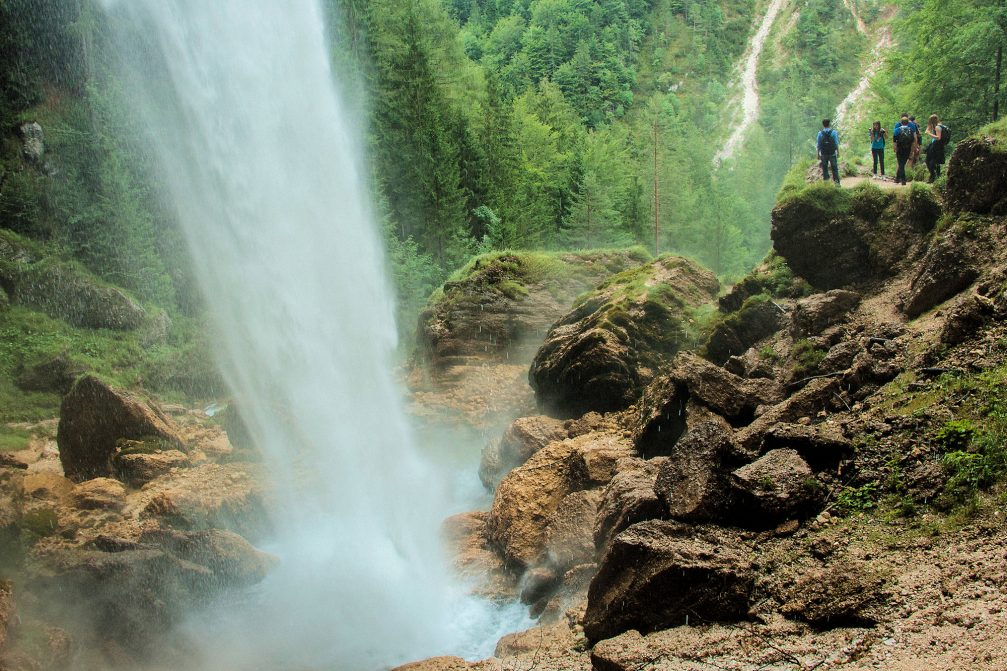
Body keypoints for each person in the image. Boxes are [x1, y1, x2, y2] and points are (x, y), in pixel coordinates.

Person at [817, 118, 840, 184]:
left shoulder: (820, 133)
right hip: (832, 153)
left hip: (823, 154)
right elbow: (836, 143)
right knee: (834, 169)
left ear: (823, 124)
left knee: (825, 169)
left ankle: (827, 185)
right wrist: (838, 153)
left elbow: (818, 145)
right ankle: (837, 184)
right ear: (829, 124)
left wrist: (818, 154)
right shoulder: (834, 132)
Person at [924, 113, 945, 182]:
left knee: (930, 161)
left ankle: (934, 176)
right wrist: (929, 127)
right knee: (935, 161)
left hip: (936, 146)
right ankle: (936, 176)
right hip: (936, 146)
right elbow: (928, 129)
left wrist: (929, 133)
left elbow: (938, 138)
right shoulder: (939, 125)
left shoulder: (937, 127)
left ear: (932, 121)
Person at [893, 117, 914, 185]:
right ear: (908, 123)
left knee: (900, 164)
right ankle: (897, 179)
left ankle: (903, 180)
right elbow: (913, 141)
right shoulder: (910, 130)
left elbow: (894, 141)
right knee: (902, 164)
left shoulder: (897, 130)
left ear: (901, 122)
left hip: (900, 149)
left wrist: (895, 148)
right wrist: (912, 150)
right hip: (907, 149)